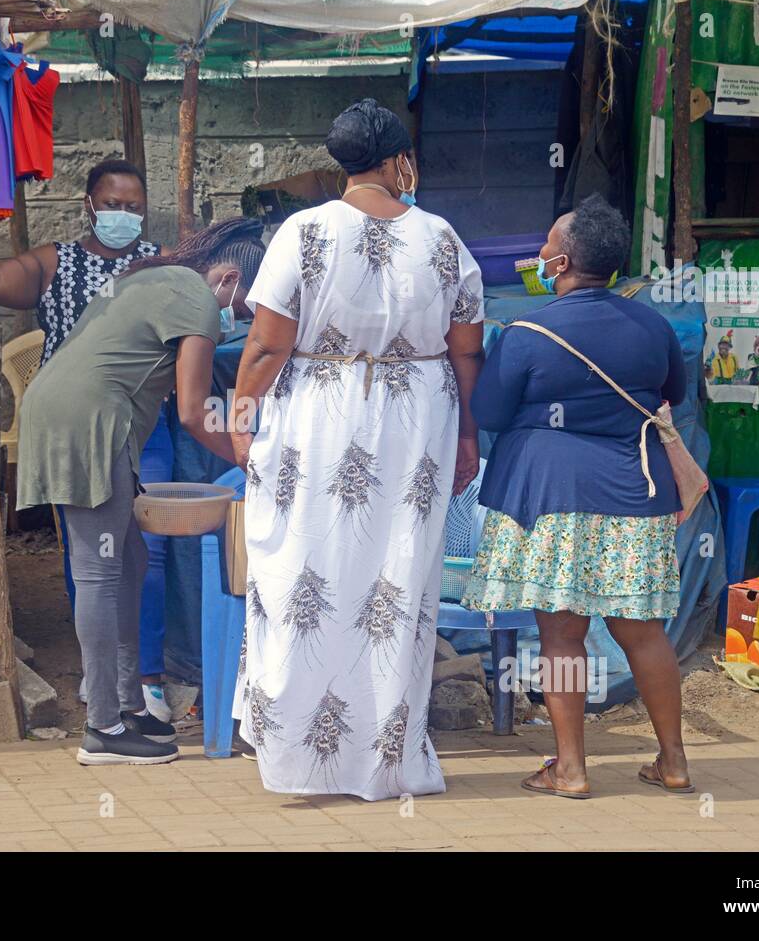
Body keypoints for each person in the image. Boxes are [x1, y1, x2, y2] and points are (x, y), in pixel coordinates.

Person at [228, 98, 485, 801]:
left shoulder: (302, 232)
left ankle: (298, 753)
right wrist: (465, 430)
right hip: (417, 421)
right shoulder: (441, 239)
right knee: (397, 582)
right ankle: (388, 758)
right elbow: (469, 352)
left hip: (318, 416)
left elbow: (267, 343)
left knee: (304, 571)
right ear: (400, 161)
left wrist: (242, 416)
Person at [462, 194, 691, 799]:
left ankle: (570, 769)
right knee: (643, 630)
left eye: (545, 246)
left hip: (550, 498)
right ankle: (672, 761)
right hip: (635, 489)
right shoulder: (654, 326)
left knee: (561, 636)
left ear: (561, 262)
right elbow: (675, 393)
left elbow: (488, 411)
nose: (537, 255)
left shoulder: (527, 333)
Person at [17, 218, 265, 766]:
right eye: (244, 307)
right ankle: (101, 727)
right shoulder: (197, 299)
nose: (241, 320)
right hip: (87, 421)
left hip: (81, 414)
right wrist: (253, 458)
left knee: (126, 560)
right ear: (226, 279)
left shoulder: (156, 278)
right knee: (100, 570)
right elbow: (196, 412)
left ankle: (129, 708)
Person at [0, 160, 175, 722]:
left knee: (151, 551)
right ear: (89, 205)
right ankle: (102, 686)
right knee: (90, 555)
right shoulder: (55, 262)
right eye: (113, 203)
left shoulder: (160, 264)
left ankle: (146, 680)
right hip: (79, 428)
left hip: (146, 423)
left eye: (135, 205)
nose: (125, 214)